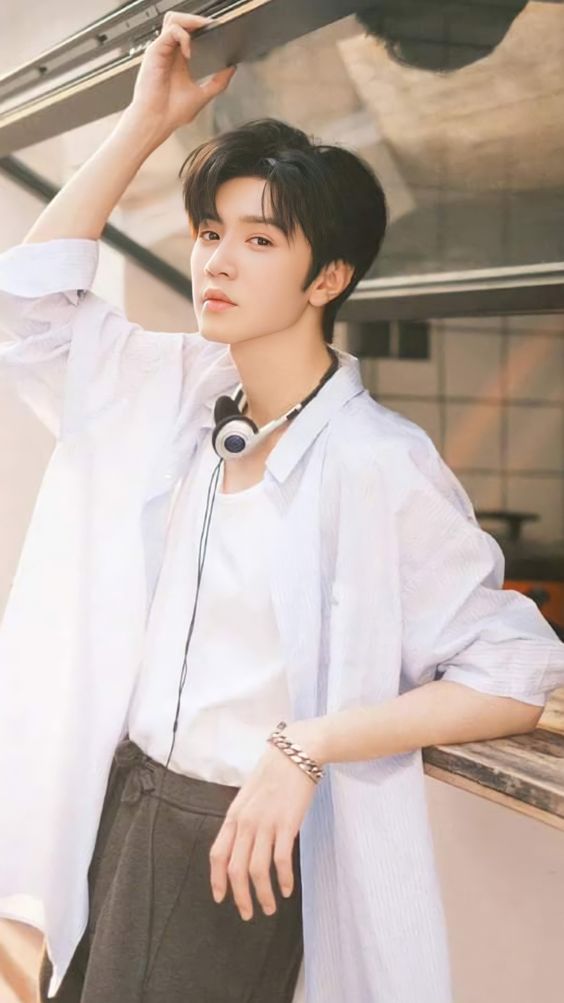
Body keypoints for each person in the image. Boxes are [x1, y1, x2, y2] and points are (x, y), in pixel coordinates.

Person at [0, 10, 563, 1003]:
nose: (216, 260)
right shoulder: (181, 388)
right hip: (124, 804)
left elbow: (515, 673)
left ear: (328, 278)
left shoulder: (380, 462)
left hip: (230, 843)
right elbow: (24, 311)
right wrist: (143, 122)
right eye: (211, 232)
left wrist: (307, 743)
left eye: (259, 239)